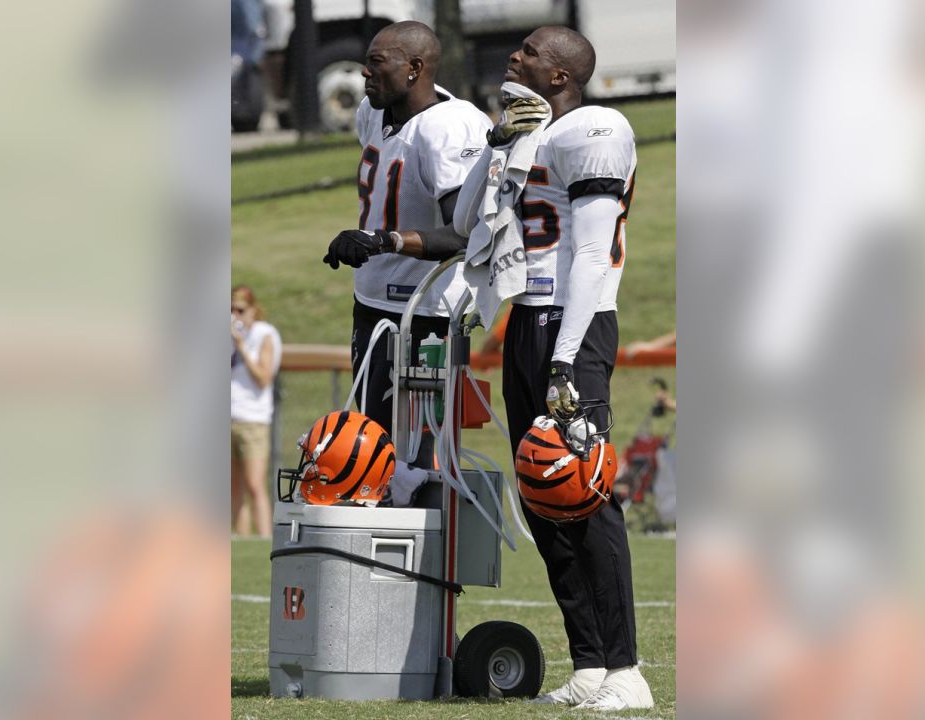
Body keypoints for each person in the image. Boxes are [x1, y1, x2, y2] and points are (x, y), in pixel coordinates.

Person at [388, 26, 651, 710]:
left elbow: (593, 256)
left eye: (531, 52)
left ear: (562, 75)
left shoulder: (597, 126)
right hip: (525, 321)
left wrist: (565, 362)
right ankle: (589, 663)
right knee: (543, 496)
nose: (515, 56)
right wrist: (499, 145)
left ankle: (625, 670)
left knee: (584, 494)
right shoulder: (525, 132)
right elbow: (472, 218)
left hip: (575, 324)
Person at [321, 21, 492, 438]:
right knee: (373, 440)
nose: (365, 73)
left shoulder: (447, 127)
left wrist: (384, 241)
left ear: (414, 68)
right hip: (372, 300)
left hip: (423, 312)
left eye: (377, 63)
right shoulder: (373, 111)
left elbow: (466, 234)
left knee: (412, 453)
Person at [230, 285, 281, 538]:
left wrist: (241, 346)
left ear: (253, 310)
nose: (235, 316)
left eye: (240, 310)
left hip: (253, 420)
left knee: (254, 485)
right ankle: (241, 541)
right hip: (229, 417)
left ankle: (263, 540)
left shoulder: (264, 334)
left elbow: (263, 377)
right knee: (233, 488)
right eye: (230, 310)